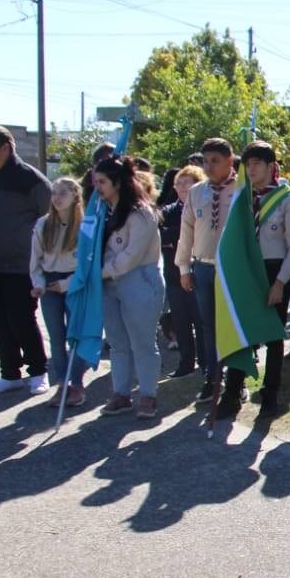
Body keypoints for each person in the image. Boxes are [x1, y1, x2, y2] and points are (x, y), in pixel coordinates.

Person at [220, 142, 290, 419]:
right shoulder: (241, 198)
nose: (252, 169)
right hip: (245, 271)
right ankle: (232, 392)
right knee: (240, 332)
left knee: (273, 336)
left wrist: (280, 282)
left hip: (273, 271)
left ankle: (270, 393)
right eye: (248, 164)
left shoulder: (287, 199)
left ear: (271, 167)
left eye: (257, 163)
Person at [0, 124, 52, 396]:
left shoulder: (30, 179)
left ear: (6, 147)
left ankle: (38, 371)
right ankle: (10, 374)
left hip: (20, 265)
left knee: (21, 319)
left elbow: (50, 218)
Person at [94, 157, 165, 420]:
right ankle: (120, 393)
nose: (97, 187)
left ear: (117, 182)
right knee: (117, 342)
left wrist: (98, 272)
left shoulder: (141, 213)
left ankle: (148, 395)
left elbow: (130, 256)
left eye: (102, 181)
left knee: (143, 342)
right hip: (108, 285)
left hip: (139, 282)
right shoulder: (100, 211)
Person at [175, 137, 237, 406]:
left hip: (233, 269)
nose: (210, 167)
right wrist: (184, 267)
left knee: (232, 325)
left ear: (229, 162)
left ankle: (237, 379)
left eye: (216, 161)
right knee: (208, 325)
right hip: (203, 266)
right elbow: (186, 231)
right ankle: (212, 377)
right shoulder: (197, 192)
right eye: (206, 161)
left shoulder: (243, 189)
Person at [30, 177, 86, 408]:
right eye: (54, 193)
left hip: (74, 282)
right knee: (56, 337)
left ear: (75, 197)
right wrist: (39, 283)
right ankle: (62, 383)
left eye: (63, 193)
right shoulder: (43, 224)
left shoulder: (84, 226)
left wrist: (67, 284)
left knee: (75, 337)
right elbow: (35, 260)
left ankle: (76, 385)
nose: (57, 198)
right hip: (49, 283)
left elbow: (86, 265)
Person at [160, 165, 206, 379]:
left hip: (200, 273)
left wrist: (179, 237)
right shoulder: (168, 211)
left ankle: (207, 364)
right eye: (178, 183)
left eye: (187, 182)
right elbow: (163, 237)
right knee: (180, 321)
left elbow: (201, 236)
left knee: (202, 321)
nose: (182, 187)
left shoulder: (205, 209)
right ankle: (186, 363)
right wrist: (183, 234)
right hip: (174, 275)